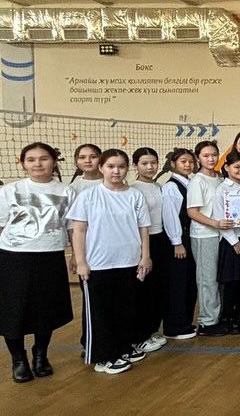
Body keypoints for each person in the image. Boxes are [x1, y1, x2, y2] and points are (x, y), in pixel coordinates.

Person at [68, 149, 152, 374]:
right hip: (98, 264)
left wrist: (145, 256)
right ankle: (103, 357)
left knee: (125, 309)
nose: (116, 171)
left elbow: (143, 229)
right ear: (101, 168)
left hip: (128, 262)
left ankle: (122, 348)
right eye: (111, 166)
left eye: (121, 167)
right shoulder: (88, 196)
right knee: (100, 313)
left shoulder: (135, 195)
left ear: (127, 169)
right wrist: (81, 261)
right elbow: (79, 230)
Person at [0, 143, 75, 383]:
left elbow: (72, 227)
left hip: (50, 256)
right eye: (31, 159)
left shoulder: (67, 191)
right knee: (14, 310)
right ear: (23, 163)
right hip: (14, 257)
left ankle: (40, 355)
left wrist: (77, 255)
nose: (38, 164)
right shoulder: (10, 191)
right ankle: (18, 359)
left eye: (43, 158)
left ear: (53, 161)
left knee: (46, 309)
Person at [186, 141, 229, 337]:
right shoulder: (197, 181)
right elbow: (192, 212)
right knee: (207, 280)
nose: (211, 159)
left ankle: (217, 317)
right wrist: (215, 223)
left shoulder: (220, 178)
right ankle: (206, 322)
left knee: (218, 279)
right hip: (204, 235)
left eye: (214, 155)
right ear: (198, 158)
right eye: (205, 155)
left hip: (221, 234)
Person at [211, 152, 240, 335]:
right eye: (237, 167)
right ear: (227, 168)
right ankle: (228, 317)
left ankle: (239, 315)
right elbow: (220, 219)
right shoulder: (222, 190)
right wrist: (234, 241)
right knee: (231, 282)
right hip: (231, 241)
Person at [129, 148, 168, 353]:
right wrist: (144, 253)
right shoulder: (133, 190)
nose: (150, 167)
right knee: (142, 291)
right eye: (144, 163)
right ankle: (138, 337)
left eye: (153, 163)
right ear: (135, 165)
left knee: (156, 290)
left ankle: (151, 331)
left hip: (161, 239)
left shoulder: (159, 186)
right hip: (144, 242)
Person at [159, 148, 199, 340]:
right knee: (178, 284)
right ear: (173, 164)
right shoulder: (171, 187)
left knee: (189, 282)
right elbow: (170, 217)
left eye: (190, 161)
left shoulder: (190, 182)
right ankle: (174, 327)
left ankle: (185, 322)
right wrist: (177, 242)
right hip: (179, 240)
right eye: (183, 161)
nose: (188, 165)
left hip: (189, 238)